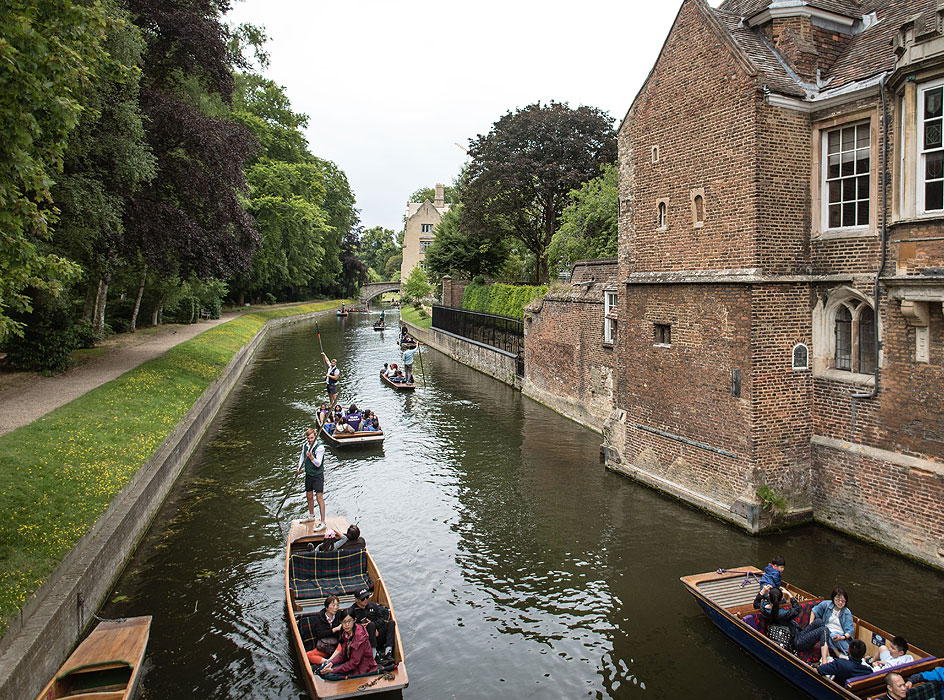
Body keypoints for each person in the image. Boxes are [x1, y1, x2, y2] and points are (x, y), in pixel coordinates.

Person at [319, 611, 377, 676]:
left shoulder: (359, 637)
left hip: (363, 668)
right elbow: (342, 655)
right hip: (349, 663)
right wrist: (332, 663)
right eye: (344, 622)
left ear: (354, 620)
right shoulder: (345, 633)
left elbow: (353, 663)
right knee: (322, 669)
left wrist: (333, 670)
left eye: (349, 621)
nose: (347, 625)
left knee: (329, 674)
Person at [348, 588, 396, 665]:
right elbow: (351, 627)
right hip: (366, 640)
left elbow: (381, 619)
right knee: (370, 625)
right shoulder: (353, 611)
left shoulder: (373, 606)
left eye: (367, 597)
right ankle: (374, 654)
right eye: (363, 599)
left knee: (391, 623)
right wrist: (363, 626)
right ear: (356, 600)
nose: (366, 600)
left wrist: (375, 626)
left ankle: (388, 651)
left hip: (378, 636)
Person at [811, 587, 855, 661]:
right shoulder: (827, 605)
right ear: (833, 599)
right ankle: (837, 654)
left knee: (831, 634)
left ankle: (847, 653)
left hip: (841, 635)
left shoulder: (846, 612)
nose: (840, 603)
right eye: (838, 600)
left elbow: (849, 630)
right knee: (826, 632)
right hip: (827, 631)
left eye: (843, 601)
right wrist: (811, 625)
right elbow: (814, 610)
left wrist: (841, 637)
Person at [296, 427, 326, 529]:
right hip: (309, 474)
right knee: (309, 495)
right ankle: (311, 515)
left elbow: (318, 464)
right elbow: (302, 456)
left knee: (319, 497)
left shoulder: (320, 448)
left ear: (315, 436)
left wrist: (311, 457)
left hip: (317, 475)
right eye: (308, 438)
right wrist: (299, 467)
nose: (310, 440)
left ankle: (322, 522)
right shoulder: (305, 446)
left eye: (312, 438)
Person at [305, 594, 343, 664]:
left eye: (337, 605)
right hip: (325, 647)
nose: (336, 608)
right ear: (327, 607)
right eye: (333, 605)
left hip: (338, 646)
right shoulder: (319, 617)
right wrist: (334, 629)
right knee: (308, 655)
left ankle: (331, 660)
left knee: (343, 643)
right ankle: (326, 662)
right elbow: (320, 634)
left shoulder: (340, 615)